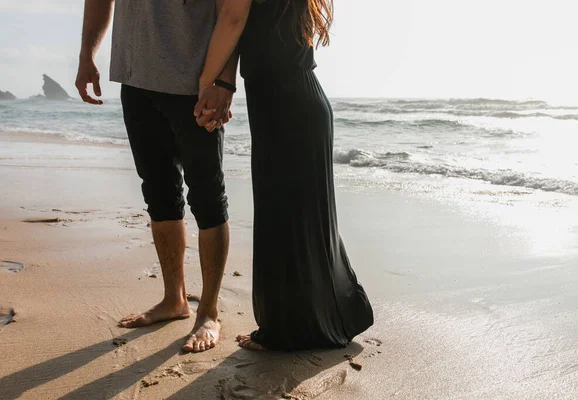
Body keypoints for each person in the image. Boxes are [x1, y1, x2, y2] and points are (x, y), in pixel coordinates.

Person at [195, 0, 374, 351]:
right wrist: (225, 84)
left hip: (285, 105)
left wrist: (207, 81)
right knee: (301, 219)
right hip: (298, 101)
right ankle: (326, 320)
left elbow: (232, 18)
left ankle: (286, 330)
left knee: (282, 215)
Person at [75, 0, 236, 353]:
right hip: (135, 79)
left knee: (208, 198)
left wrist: (224, 80)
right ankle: (173, 299)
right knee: (159, 194)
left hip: (197, 81)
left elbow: (232, 10)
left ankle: (208, 312)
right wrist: (87, 54)